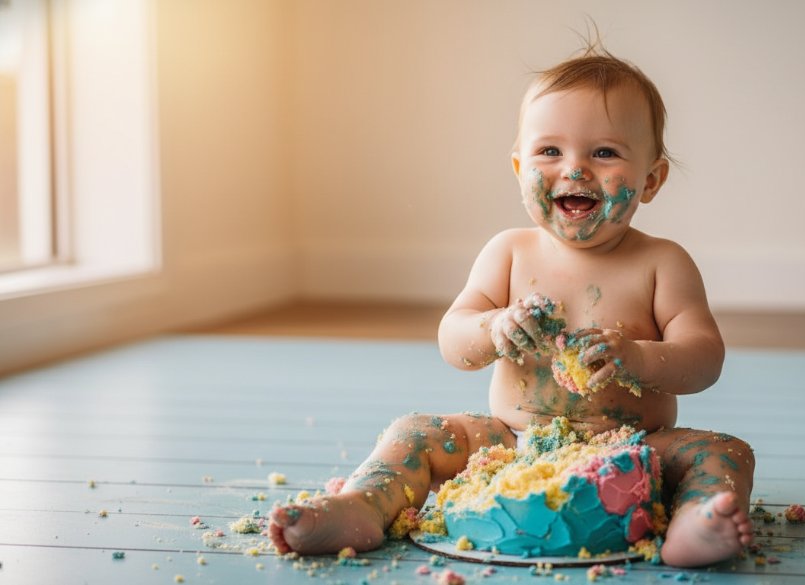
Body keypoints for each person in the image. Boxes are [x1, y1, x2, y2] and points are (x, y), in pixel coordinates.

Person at [268, 43, 755, 568]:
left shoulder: (662, 263)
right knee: (413, 432)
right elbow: (453, 339)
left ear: (651, 179)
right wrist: (494, 327)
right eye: (550, 151)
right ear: (520, 167)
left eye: (604, 153)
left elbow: (704, 357)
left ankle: (695, 524)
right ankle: (362, 505)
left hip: (635, 451)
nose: (575, 169)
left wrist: (638, 358)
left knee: (725, 452)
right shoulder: (509, 252)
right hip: (509, 444)